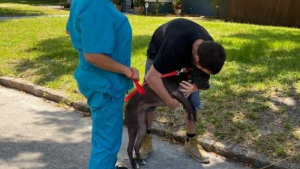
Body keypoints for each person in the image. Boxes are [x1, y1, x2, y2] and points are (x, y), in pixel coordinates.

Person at [138, 18, 226, 164]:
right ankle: (145, 138)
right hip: (159, 51)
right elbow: (152, 77)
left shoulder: (210, 48)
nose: (205, 73)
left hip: (187, 55)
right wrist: (170, 101)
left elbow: (204, 76)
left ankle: (191, 141)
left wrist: (195, 87)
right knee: (149, 97)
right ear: (196, 59)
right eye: (203, 69)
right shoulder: (174, 46)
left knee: (193, 99)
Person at [65, 0, 139, 168]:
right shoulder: (95, 4)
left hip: (94, 78)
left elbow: (70, 29)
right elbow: (93, 55)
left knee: (102, 135)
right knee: (107, 144)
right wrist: (127, 70)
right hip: (106, 84)